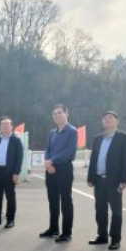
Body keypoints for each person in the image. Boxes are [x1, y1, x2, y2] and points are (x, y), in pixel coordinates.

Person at [87, 111, 126, 250]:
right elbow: (93, 159)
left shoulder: (124, 138)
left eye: (110, 118)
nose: (106, 120)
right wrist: (90, 177)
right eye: (104, 118)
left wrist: (125, 180)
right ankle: (102, 236)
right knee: (100, 210)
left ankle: (115, 239)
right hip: (99, 180)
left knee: (116, 212)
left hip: (115, 182)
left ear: (117, 121)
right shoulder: (98, 138)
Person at [40, 104, 78, 243]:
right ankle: (53, 229)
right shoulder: (52, 132)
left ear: (67, 114)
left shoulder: (72, 131)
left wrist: (52, 161)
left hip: (64, 169)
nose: (57, 115)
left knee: (66, 201)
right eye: (54, 113)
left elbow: (69, 151)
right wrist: (48, 162)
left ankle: (67, 233)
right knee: (53, 200)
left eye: (60, 112)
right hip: (50, 169)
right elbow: (48, 150)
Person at [0, 116, 24, 229]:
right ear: (0, 127)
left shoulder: (16, 140)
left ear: (12, 126)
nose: (5, 126)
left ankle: (10, 220)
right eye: (3, 124)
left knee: (10, 197)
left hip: (9, 172)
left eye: (7, 124)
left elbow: (19, 158)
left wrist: (16, 173)